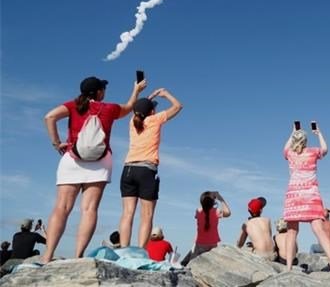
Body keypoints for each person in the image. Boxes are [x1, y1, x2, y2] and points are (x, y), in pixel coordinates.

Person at [42, 76, 146, 263]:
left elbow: (49, 117)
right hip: (100, 162)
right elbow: (130, 106)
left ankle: (47, 255)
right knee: (89, 209)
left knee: (61, 207)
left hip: (73, 159)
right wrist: (137, 90)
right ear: (99, 92)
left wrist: (57, 143)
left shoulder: (73, 105)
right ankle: (78, 256)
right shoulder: (110, 108)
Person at [119, 89, 183, 248]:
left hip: (128, 169)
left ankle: (124, 249)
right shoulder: (155, 120)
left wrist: (147, 99)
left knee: (127, 214)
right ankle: (140, 251)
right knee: (146, 215)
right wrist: (165, 93)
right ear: (152, 111)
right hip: (146, 170)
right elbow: (178, 106)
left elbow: (139, 109)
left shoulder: (132, 122)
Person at [282, 123, 330, 271]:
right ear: (306, 141)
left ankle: (288, 267)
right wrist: (319, 133)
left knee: (291, 232)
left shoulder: (290, 154)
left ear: (294, 140)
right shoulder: (313, 152)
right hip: (311, 195)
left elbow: (285, 148)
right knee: (318, 229)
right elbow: (325, 149)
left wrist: (292, 132)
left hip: (293, 196)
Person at [181, 191, 231, 265]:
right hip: (213, 244)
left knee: (191, 264)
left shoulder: (198, 211)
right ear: (213, 202)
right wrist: (220, 199)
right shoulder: (217, 211)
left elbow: (201, 211)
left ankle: (183, 264)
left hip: (199, 244)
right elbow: (228, 213)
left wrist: (208, 199)